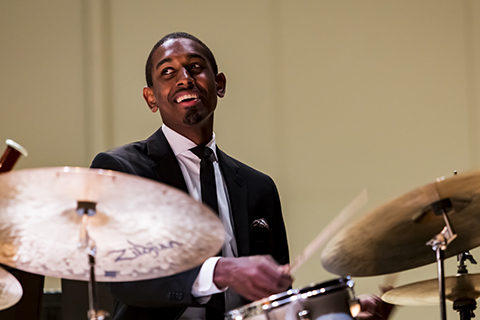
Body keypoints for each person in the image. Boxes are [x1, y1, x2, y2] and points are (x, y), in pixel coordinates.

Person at [91, 32, 394, 320]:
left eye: (195, 67)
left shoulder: (258, 187)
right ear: (151, 98)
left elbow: (274, 301)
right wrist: (223, 271)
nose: (184, 78)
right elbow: (123, 276)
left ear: (219, 84)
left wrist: (338, 311)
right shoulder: (122, 171)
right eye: (167, 73)